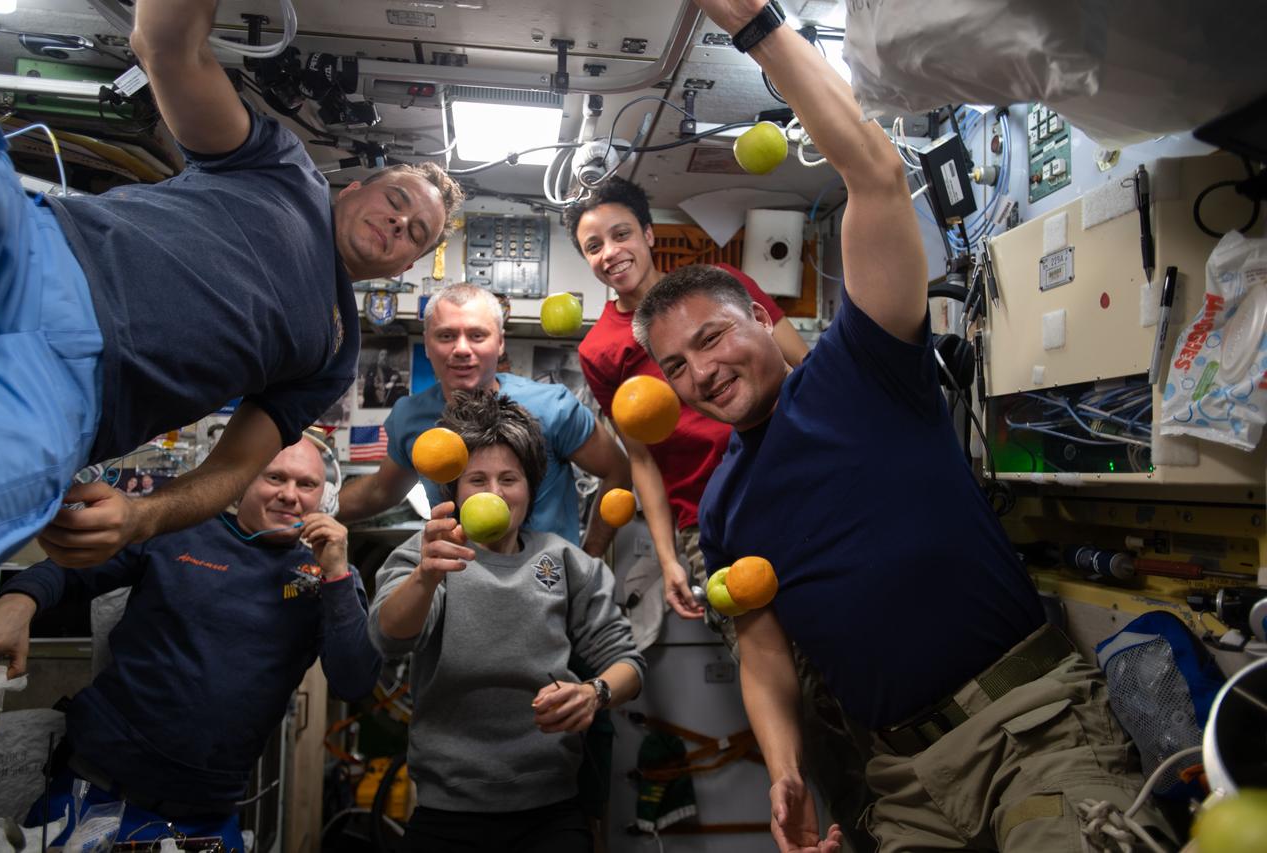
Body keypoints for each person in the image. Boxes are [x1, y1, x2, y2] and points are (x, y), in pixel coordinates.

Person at [631, 2, 1172, 851]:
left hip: (1032, 731)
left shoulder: (864, 368)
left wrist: (757, 28)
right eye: (675, 366)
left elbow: (876, 174)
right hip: (902, 782)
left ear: (758, 318)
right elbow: (765, 655)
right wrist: (783, 770)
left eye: (711, 338)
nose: (701, 372)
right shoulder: (725, 504)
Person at [0, 0, 464, 571]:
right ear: (354, 187)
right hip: (35, 251)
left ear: (403, 268)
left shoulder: (334, 353)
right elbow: (170, 50)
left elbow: (236, 469)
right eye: (396, 199)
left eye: (416, 232)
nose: (398, 223)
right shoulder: (283, 167)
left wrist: (146, 515)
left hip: (69, 396)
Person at [0, 437, 381, 850]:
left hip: (206, 819)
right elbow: (71, 570)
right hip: (93, 793)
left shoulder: (330, 575)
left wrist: (336, 572)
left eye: (307, 484)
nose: (289, 494)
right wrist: (19, 600)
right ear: (243, 480)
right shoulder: (176, 528)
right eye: (275, 477)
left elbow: (354, 681)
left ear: (325, 497)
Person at [368, 390, 644, 852]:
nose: (495, 493)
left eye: (509, 478)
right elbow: (388, 637)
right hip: (446, 811)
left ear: (530, 487)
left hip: (553, 810)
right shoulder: (426, 556)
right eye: (477, 479)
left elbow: (628, 664)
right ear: (453, 490)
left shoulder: (565, 561)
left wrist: (595, 693)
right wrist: (426, 577)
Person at [563, 177, 808, 620]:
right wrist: (669, 555)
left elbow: (806, 369)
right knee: (756, 641)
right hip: (708, 513)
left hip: (793, 477)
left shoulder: (720, 286)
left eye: (622, 234)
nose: (611, 253)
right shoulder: (598, 350)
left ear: (648, 234)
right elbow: (642, 460)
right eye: (593, 246)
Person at [337, 283, 631, 559]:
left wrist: (588, 559)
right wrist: (309, 510)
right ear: (427, 345)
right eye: (446, 336)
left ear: (500, 343)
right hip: (459, 582)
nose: (462, 349)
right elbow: (380, 491)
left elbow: (618, 472)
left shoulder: (553, 407)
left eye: (477, 335)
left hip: (549, 586)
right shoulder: (410, 417)